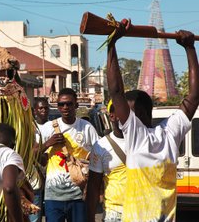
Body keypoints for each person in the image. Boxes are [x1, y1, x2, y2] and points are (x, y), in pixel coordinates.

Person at [106, 19, 199, 221]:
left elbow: (115, 91)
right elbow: (194, 96)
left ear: (139, 114)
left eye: (127, 113)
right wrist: (190, 49)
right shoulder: (170, 133)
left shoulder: (136, 135)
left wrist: (113, 43)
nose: (122, 118)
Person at [39, 88, 99, 222]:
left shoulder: (86, 127)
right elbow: (34, 155)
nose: (65, 107)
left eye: (69, 104)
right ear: (58, 106)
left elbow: (98, 156)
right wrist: (48, 143)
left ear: (76, 105)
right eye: (61, 104)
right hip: (53, 196)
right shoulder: (48, 127)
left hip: (78, 196)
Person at [86, 100, 127, 222]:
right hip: (114, 214)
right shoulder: (101, 146)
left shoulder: (146, 142)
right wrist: (90, 218)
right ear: (112, 116)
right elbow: (93, 186)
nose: (127, 118)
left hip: (143, 212)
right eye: (122, 113)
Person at [30, 97, 50, 222]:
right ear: (34, 110)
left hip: (50, 173)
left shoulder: (54, 126)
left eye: (46, 108)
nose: (43, 110)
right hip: (33, 175)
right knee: (34, 213)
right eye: (40, 108)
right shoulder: (29, 128)